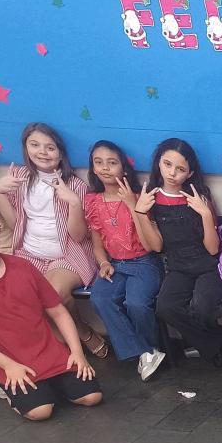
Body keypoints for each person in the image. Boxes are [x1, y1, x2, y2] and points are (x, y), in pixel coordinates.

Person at [0, 200, 102, 421]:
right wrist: (7, 365)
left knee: (92, 397)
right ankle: (2, 385)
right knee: (41, 411)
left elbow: (58, 311)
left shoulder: (22, 266)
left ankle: (47, 387)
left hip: (48, 352)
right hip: (8, 359)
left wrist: (77, 352)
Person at [0, 123, 104, 358]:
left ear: (60, 154)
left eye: (50, 147)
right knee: (23, 297)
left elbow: (79, 236)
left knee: (51, 294)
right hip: (28, 253)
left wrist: (74, 203)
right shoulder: (18, 178)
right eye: (35, 145)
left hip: (68, 254)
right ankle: (66, 343)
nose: (42, 152)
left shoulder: (75, 185)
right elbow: (15, 224)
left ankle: (77, 337)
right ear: (26, 148)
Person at [144, 138, 222, 367]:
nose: (172, 173)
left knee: (202, 307)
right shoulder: (152, 198)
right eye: (167, 164)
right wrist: (139, 213)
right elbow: (156, 247)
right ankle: (214, 342)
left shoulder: (198, 197)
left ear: (190, 173)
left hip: (209, 266)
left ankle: (208, 346)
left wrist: (206, 214)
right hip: (178, 268)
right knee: (165, 307)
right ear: (158, 163)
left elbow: (213, 249)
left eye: (180, 169)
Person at [84, 140, 164, 381]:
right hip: (116, 264)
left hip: (144, 262)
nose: (105, 168)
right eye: (98, 162)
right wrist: (104, 264)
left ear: (124, 168)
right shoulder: (93, 201)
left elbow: (150, 245)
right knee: (100, 297)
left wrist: (132, 205)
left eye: (112, 162)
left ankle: (149, 349)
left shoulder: (140, 198)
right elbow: (97, 244)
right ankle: (146, 352)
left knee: (136, 303)